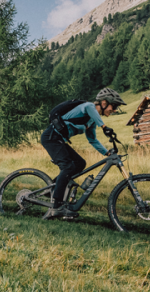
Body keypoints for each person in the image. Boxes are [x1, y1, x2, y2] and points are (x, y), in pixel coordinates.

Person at [40, 87, 125, 220]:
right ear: (104, 103)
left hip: (59, 140)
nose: (114, 110)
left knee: (80, 163)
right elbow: (89, 108)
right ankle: (57, 207)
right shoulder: (88, 106)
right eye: (113, 106)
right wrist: (104, 127)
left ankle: (53, 189)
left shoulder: (91, 121)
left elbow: (92, 140)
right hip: (51, 138)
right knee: (67, 166)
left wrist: (107, 153)